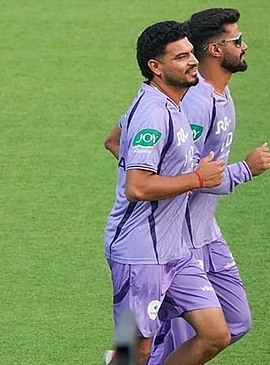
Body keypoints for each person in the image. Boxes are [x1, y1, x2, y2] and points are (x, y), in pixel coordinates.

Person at [120, 9, 270, 364]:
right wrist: (243, 171)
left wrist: (168, 175)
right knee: (141, 346)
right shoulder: (193, 103)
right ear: (216, 49)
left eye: (189, 53)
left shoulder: (204, 95)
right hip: (163, 241)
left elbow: (119, 141)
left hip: (200, 234)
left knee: (229, 324)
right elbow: (143, 176)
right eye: (236, 40)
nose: (244, 45)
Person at [101, 20, 232, 365]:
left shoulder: (173, 103)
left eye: (191, 53)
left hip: (175, 249)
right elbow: (136, 186)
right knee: (134, 351)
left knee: (215, 334)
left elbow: (113, 140)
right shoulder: (153, 114)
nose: (193, 61)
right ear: (156, 67)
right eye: (180, 57)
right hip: (139, 253)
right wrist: (196, 179)